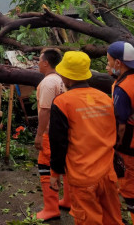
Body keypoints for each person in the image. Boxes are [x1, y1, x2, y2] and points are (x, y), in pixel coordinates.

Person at [49, 51, 123, 225]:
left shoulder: (62, 103)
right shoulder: (105, 98)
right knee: (113, 219)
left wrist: (55, 173)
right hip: (108, 174)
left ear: (66, 77)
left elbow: (58, 143)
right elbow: (117, 131)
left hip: (83, 177)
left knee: (89, 220)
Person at [107, 41, 134, 225]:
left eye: (109, 61)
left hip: (133, 148)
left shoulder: (122, 88)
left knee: (132, 192)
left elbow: (120, 125)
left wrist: (115, 147)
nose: (108, 65)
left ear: (118, 63)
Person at [34, 49, 70, 220]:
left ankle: (51, 208)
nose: (38, 63)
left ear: (46, 62)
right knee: (66, 167)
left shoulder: (48, 83)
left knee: (45, 167)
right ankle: (68, 200)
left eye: (40, 60)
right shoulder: (62, 80)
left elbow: (45, 111)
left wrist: (39, 135)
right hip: (66, 132)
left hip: (51, 133)